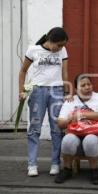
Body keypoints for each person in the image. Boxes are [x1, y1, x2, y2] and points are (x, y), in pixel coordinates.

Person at [19, 27, 71, 177]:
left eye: (63, 45)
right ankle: (32, 164)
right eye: (59, 45)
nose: (60, 48)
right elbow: (23, 71)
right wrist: (21, 91)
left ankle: (55, 163)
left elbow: (64, 73)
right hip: (37, 91)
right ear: (50, 40)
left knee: (57, 129)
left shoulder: (63, 51)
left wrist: (66, 92)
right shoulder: (33, 50)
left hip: (56, 91)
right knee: (34, 128)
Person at [54, 74, 98, 184]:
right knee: (67, 140)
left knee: (90, 140)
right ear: (76, 89)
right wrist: (69, 119)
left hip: (96, 139)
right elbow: (60, 123)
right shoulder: (71, 101)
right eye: (83, 85)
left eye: (89, 84)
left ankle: (94, 171)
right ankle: (67, 169)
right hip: (76, 140)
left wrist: (81, 115)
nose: (87, 87)